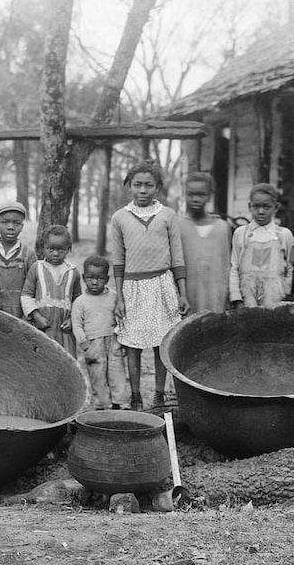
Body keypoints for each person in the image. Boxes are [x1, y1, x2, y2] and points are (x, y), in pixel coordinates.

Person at [111, 160, 190, 411]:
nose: (142, 190)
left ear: (157, 188)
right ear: (129, 186)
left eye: (148, 185)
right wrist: (120, 297)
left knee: (160, 343)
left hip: (162, 285)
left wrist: (182, 293)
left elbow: (177, 257)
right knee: (133, 344)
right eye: (137, 185)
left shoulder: (167, 215)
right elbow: (118, 259)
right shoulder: (120, 217)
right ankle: (136, 395)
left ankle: (158, 394)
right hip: (132, 287)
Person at [71, 255, 130, 410]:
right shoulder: (80, 301)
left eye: (100, 278)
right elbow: (76, 324)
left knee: (117, 372)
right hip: (93, 343)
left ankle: (120, 403)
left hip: (113, 341)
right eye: (90, 278)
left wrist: (122, 339)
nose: (95, 282)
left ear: (107, 278)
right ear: (84, 278)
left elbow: (121, 318)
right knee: (97, 374)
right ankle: (101, 405)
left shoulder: (114, 297)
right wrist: (85, 344)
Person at [229, 183, 293, 309]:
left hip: (275, 298)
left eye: (267, 207)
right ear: (249, 206)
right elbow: (234, 267)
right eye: (256, 206)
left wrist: (285, 293)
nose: (261, 211)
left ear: (276, 207)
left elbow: (289, 267)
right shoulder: (241, 234)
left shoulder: (283, 235)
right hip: (247, 296)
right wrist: (236, 298)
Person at [20, 225, 82, 357]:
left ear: (68, 249)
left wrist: (72, 319)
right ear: (43, 248)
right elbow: (26, 296)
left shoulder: (73, 272)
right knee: (41, 358)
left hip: (64, 330)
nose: (55, 253)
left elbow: (78, 300)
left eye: (61, 249)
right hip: (42, 326)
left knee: (65, 359)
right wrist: (37, 317)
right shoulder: (37, 268)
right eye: (50, 249)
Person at [178, 172, 231, 314]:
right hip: (187, 299)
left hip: (215, 299)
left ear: (209, 195)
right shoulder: (178, 226)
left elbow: (227, 265)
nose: (195, 199)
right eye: (191, 194)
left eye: (201, 194)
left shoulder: (222, 227)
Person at [0, 201, 37, 318]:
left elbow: (32, 290)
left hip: (19, 316)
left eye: (16, 223)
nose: (10, 227)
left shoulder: (28, 254)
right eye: (5, 222)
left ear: (22, 226)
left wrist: (28, 317)